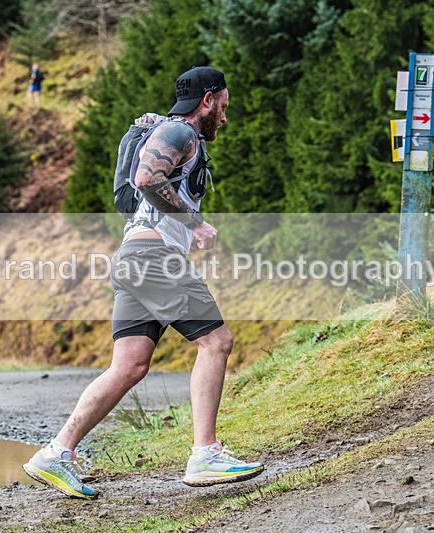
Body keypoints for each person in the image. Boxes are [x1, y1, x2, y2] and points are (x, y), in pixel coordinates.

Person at [23, 66, 264, 498]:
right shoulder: (181, 133)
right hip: (155, 258)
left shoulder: (169, 133)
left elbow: (137, 189)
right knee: (217, 342)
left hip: (133, 258)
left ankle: (56, 453)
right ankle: (205, 454)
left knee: (129, 366)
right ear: (207, 100)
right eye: (223, 107)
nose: (225, 119)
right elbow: (146, 179)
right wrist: (196, 223)